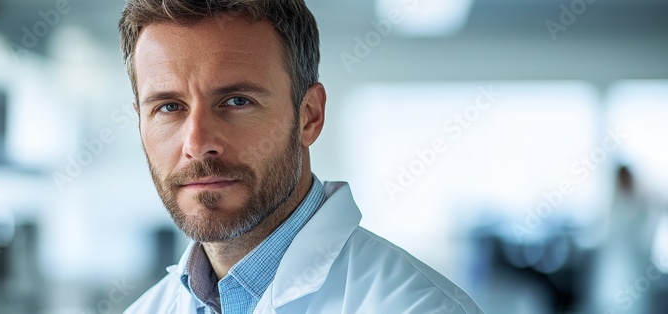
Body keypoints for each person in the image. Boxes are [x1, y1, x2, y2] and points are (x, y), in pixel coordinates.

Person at [117, 0, 483, 313]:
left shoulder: (417, 306)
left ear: (309, 116)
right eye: (168, 107)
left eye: (237, 101)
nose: (196, 143)